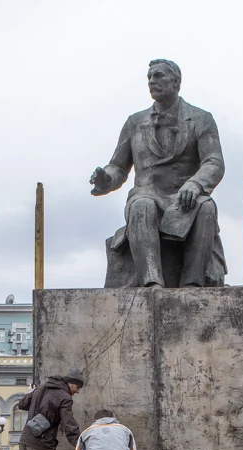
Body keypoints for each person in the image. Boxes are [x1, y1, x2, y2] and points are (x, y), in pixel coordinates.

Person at [90, 58, 227, 288]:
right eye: (149, 77)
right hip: (147, 193)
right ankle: (151, 284)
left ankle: (192, 285)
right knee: (142, 206)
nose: (152, 81)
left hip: (185, 195)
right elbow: (118, 167)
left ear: (176, 81)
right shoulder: (135, 122)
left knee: (206, 207)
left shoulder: (202, 118)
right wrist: (106, 179)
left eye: (158, 75)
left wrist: (195, 184)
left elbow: (214, 162)